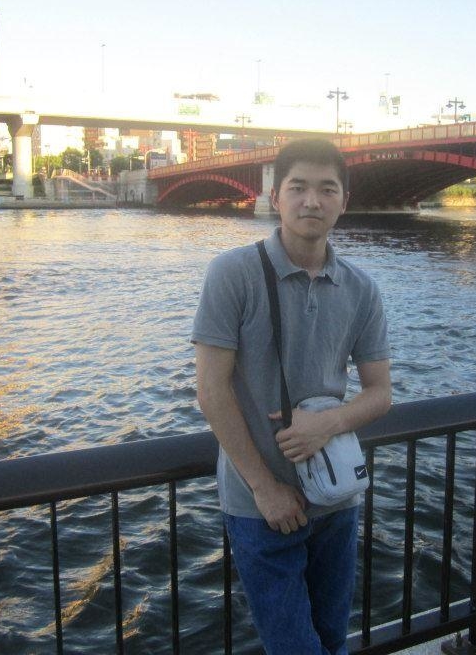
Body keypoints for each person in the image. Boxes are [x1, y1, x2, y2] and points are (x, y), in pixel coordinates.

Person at [192, 138, 392, 654]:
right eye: (298, 187)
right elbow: (211, 390)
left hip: (336, 497)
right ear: (275, 195)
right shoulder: (232, 273)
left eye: (327, 190)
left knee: (332, 639)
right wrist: (264, 488)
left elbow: (380, 393)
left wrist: (328, 423)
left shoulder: (361, 288)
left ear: (343, 201)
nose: (312, 201)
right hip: (260, 506)